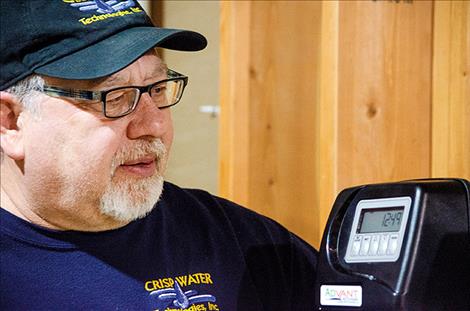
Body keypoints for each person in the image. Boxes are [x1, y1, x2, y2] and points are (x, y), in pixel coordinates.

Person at [0, 1, 317, 310]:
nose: (153, 124)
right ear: (11, 122)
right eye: (115, 97)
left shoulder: (244, 243)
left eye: (157, 88)